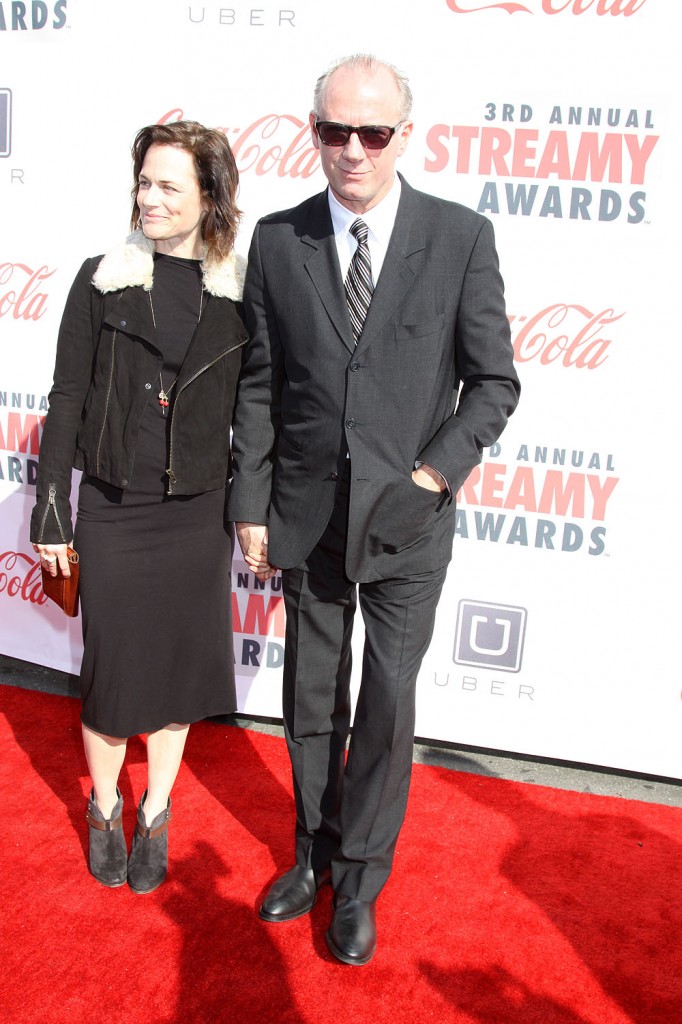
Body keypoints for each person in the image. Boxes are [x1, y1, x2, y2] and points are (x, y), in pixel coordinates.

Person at [228, 54, 520, 965]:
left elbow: (494, 384)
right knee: (311, 700)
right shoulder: (279, 241)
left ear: (406, 134)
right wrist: (251, 501)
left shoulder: (460, 237)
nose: (352, 150)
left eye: (373, 132)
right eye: (333, 131)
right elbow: (261, 383)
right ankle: (311, 855)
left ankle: (359, 877)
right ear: (312, 130)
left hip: (409, 525)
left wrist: (432, 478)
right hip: (306, 518)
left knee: (387, 704)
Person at [30, 121, 247, 894]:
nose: (147, 199)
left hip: (197, 512)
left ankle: (154, 808)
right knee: (116, 673)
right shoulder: (102, 278)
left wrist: (250, 508)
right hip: (117, 507)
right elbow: (67, 397)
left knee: (180, 676)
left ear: (209, 199)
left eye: (168, 187)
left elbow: (253, 412)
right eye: (143, 183)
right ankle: (101, 807)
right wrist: (51, 506)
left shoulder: (238, 293)